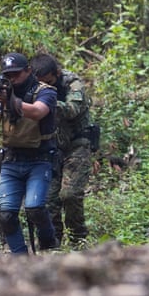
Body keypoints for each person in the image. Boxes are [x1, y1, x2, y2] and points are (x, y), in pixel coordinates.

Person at [0, 52, 58, 254]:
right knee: (7, 215)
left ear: (28, 71)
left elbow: (37, 112)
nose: (12, 79)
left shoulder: (46, 91)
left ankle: (49, 245)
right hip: (11, 160)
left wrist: (11, 101)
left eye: (16, 74)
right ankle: (20, 258)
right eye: (8, 75)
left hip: (39, 159)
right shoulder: (3, 93)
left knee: (35, 208)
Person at [30, 53, 92, 244]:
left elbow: (73, 110)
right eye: (41, 83)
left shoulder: (73, 84)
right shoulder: (34, 85)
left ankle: (78, 239)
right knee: (48, 199)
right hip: (51, 147)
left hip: (77, 145)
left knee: (70, 194)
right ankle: (53, 242)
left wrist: (46, 104)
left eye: (48, 82)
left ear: (56, 73)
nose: (45, 86)